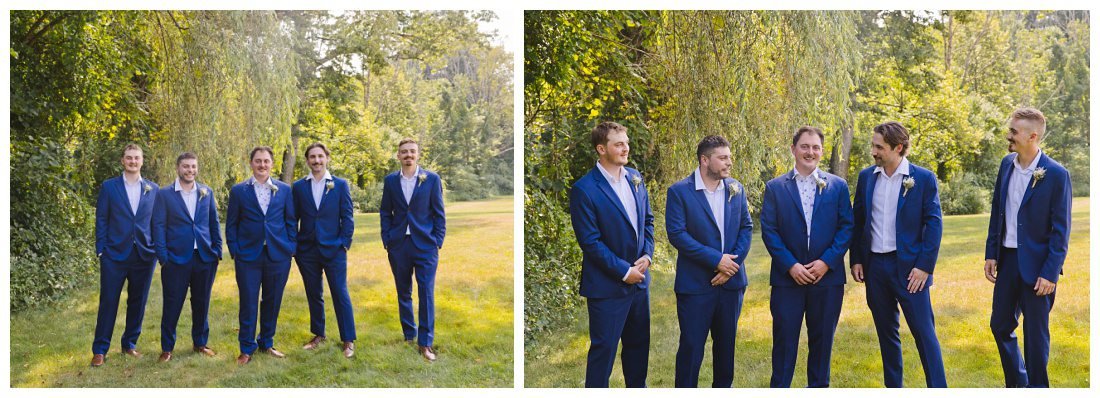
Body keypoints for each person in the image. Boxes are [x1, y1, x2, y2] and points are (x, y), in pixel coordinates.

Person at [850, 122, 946, 387]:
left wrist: (924, 267)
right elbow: (858, 221)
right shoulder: (867, 177)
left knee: (925, 335)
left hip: (910, 270)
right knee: (886, 334)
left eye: (879, 147)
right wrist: (857, 259)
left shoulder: (922, 178)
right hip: (875, 268)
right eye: (873, 145)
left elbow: (934, 224)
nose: (873, 151)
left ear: (898, 148)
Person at [984, 107, 1071, 388]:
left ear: (1033, 136)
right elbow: (998, 210)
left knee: (1035, 338)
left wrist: (1050, 272)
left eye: (1013, 131)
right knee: (1000, 325)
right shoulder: (1005, 164)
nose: (1008, 135)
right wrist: (991, 253)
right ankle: (1018, 384)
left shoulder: (1057, 175)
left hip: (1039, 268)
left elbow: (1061, 231)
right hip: (1008, 261)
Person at [760, 126, 852, 388]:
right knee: (784, 345)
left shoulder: (838, 186)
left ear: (821, 152)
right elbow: (770, 231)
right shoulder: (776, 187)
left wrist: (826, 262)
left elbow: (847, 228)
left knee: (822, 346)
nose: (810, 152)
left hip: (827, 281)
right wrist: (791, 265)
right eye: (805, 146)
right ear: (793, 149)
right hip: (787, 281)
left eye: (815, 147)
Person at [569, 121, 655, 387]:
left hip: (640, 284)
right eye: (618, 144)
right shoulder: (584, 189)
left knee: (638, 351)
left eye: (626, 142)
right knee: (603, 354)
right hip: (606, 287)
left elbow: (648, 221)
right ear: (601, 149)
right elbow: (590, 242)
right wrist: (624, 271)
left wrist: (647, 256)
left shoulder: (635, 178)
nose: (625, 148)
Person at [665, 135, 753, 387]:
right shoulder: (679, 191)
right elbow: (677, 234)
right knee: (691, 348)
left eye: (730, 157)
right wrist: (717, 260)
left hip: (731, 284)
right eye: (723, 158)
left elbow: (746, 227)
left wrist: (731, 266)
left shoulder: (736, 188)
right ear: (705, 160)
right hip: (695, 285)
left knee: (726, 347)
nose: (729, 163)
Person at [90, 144, 159, 367]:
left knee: (138, 302)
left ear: (142, 161)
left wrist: (156, 249)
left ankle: (129, 344)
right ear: (123, 161)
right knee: (108, 301)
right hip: (114, 255)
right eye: (129, 158)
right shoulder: (110, 187)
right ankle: (100, 350)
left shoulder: (152, 188)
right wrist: (101, 249)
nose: (132, 161)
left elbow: (156, 222)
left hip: (144, 255)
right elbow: (101, 218)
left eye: (136, 158)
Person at [227, 146, 296, 365]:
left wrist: (290, 246)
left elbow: (290, 221)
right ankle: (246, 347)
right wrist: (235, 249)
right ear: (251, 163)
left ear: (272, 164)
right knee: (248, 301)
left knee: (272, 300)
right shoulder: (239, 191)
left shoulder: (284, 190)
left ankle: (266, 342)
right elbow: (232, 224)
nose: (262, 165)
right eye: (258, 161)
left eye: (266, 161)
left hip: (278, 254)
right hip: (248, 256)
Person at [151, 152, 222, 362]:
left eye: (193, 166)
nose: (190, 170)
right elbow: (158, 226)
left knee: (202, 302)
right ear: (178, 168)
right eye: (185, 166)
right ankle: (167, 348)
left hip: (204, 257)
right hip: (175, 259)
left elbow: (213, 222)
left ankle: (200, 343)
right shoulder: (165, 194)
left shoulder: (206, 192)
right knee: (172, 303)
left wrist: (217, 249)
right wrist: (163, 256)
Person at [380, 138, 446, 361]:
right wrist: (387, 238)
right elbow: (385, 211)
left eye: (412, 151)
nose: (408, 155)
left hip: (425, 244)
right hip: (399, 245)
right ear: (398, 155)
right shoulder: (390, 181)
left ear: (418, 154)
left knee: (426, 292)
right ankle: (409, 334)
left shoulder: (431, 179)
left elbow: (439, 212)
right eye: (404, 152)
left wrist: (437, 240)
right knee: (403, 292)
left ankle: (425, 343)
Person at [294, 142, 357, 358]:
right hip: (307, 251)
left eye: (320, 156)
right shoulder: (299, 186)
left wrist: (344, 243)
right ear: (307, 161)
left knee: (340, 293)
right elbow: (293, 218)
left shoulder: (339, 185)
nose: (316, 160)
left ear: (327, 158)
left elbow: (347, 217)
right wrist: (296, 247)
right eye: (312, 157)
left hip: (334, 249)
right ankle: (319, 334)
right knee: (314, 293)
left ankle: (348, 339)